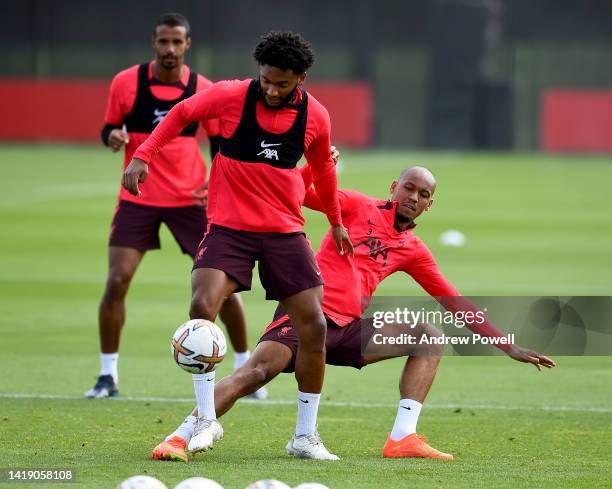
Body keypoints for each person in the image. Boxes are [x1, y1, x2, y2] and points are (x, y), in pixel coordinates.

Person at [151, 162, 555, 462]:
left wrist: (505, 345)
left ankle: (402, 438)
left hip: (349, 332)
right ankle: (179, 436)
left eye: (423, 194)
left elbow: (453, 300)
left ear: (431, 204)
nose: (413, 198)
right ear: (394, 188)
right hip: (306, 319)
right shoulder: (354, 204)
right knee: (255, 373)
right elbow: (298, 191)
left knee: (429, 335)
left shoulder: (413, 250)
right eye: (408, 188)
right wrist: (319, 165)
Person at [122, 31, 353, 458]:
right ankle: (207, 418)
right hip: (229, 229)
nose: (270, 89)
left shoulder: (316, 117)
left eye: (281, 83)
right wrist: (143, 155)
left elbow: (323, 170)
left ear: (300, 79)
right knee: (201, 308)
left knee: (315, 327)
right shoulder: (231, 96)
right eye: (265, 79)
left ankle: (305, 436)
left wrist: (336, 222)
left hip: (285, 232)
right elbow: (181, 113)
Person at [85, 13, 261, 400]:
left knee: (223, 289)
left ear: (187, 45)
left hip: (190, 201)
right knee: (117, 281)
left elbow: (221, 147)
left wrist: (219, 190)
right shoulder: (125, 83)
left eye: (176, 42)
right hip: (138, 197)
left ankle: (245, 367)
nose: (169, 49)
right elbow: (108, 127)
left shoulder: (202, 88)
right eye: (163, 42)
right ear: (154, 43)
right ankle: (106, 375)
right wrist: (113, 136)